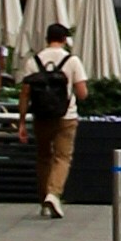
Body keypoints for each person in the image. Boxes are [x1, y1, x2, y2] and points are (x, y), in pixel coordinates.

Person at [25, 22, 80, 217]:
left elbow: (25, 93)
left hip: (41, 116)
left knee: (43, 157)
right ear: (64, 39)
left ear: (47, 38)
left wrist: (22, 121)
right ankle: (54, 194)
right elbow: (82, 92)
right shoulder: (72, 61)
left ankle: (44, 201)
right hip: (66, 116)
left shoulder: (34, 61)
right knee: (62, 157)